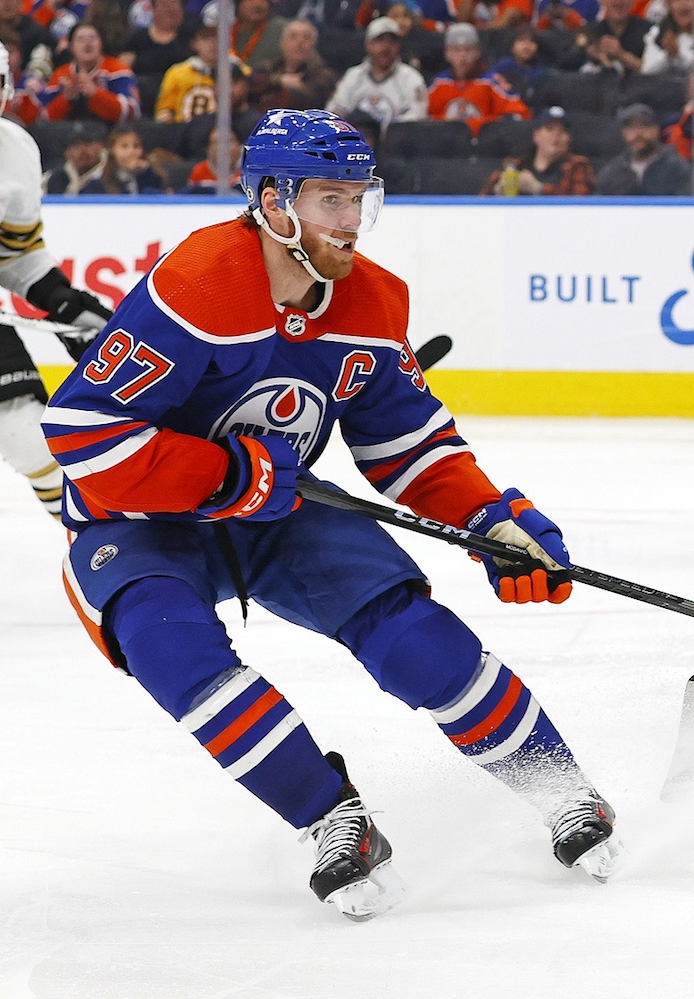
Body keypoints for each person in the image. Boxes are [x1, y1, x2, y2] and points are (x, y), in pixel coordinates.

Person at [39, 107, 622, 918]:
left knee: (409, 631)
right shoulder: (201, 280)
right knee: (171, 648)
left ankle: (563, 787)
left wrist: (491, 519)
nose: (351, 223)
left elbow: (408, 445)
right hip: (138, 514)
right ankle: (332, 818)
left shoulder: (374, 301)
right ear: (274, 203)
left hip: (275, 506)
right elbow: (83, 433)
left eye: (359, 199)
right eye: (329, 201)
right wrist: (227, 474)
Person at [0, 26, 113, 633]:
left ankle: (111, 554)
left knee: (34, 435)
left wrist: (67, 303)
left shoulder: (15, 151)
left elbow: (18, 259)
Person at [427, 21, 530, 137]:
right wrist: (446, 123)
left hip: (484, 149)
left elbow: (520, 116)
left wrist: (476, 125)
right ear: (447, 54)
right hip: (446, 148)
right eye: (456, 50)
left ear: (477, 52)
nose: (462, 56)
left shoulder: (492, 81)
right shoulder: (439, 83)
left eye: (468, 49)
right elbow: (421, 119)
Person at [325, 16, 427, 130]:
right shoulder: (353, 75)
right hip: (354, 143)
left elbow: (416, 116)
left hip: (395, 144)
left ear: (399, 45)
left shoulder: (411, 78)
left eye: (391, 41)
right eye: (379, 40)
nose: (385, 47)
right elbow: (334, 110)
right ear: (368, 44)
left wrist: (385, 134)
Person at [481, 104, 595, 194]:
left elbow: (580, 204)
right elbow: (479, 202)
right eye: (549, 129)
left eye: (562, 131)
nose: (556, 135)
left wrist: (538, 189)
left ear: (569, 139)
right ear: (536, 135)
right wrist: (496, 194)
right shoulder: (515, 165)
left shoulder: (578, 166)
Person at [41, 22, 141, 124]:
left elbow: (133, 112)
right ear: (71, 47)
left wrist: (95, 93)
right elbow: (44, 117)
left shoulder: (118, 70)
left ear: (101, 43)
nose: (87, 43)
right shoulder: (60, 75)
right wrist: (65, 99)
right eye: (80, 39)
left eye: (92, 38)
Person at [155, 18, 253, 123]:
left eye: (217, 37)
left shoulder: (242, 71)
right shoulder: (177, 72)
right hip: (183, 132)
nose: (213, 43)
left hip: (229, 129)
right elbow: (163, 111)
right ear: (194, 43)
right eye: (205, 38)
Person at [595, 100, 690, 194]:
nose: (638, 133)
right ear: (624, 133)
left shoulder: (678, 169)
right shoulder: (611, 173)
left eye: (644, 126)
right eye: (631, 127)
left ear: (656, 129)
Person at [251, 17, 338, 110]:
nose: (300, 42)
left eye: (306, 38)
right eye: (293, 36)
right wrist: (279, 81)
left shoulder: (324, 75)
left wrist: (295, 88)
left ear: (314, 45)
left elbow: (316, 98)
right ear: (282, 43)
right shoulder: (267, 67)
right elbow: (251, 84)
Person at [82, 123, 169, 192]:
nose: (131, 152)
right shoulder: (97, 183)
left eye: (136, 146)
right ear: (112, 149)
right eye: (124, 146)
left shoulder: (151, 175)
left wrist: (145, 174)